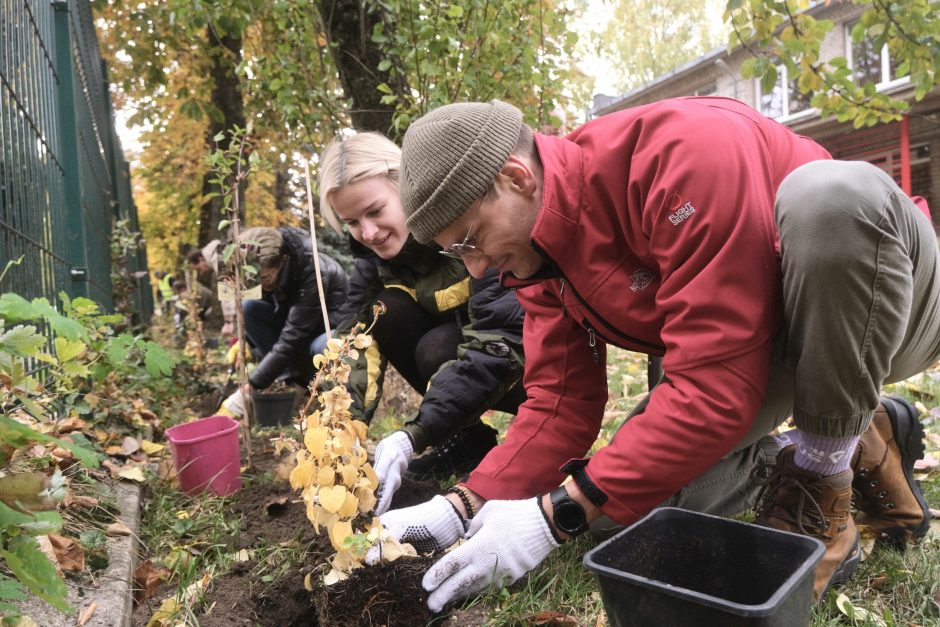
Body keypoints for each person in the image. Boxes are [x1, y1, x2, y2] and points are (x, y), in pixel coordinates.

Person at [378, 98, 938, 612]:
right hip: (764, 342)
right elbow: (560, 401)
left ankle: (824, 469)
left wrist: (556, 514)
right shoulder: (534, 256)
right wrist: (466, 503)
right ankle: (861, 441)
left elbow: (716, 387)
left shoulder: (677, 157)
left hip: (882, 300)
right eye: (456, 253)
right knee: (629, 511)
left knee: (828, 198)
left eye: (469, 240)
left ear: (516, 178)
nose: (475, 268)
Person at [318, 132, 527, 514]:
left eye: (376, 211)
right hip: (471, 364)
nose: (368, 233)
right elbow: (351, 346)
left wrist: (415, 433)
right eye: (351, 222)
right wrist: (337, 433)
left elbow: (499, 339)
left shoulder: (469, 226)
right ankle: (468, 442)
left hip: (526, 360)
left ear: (406, 185)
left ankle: (536, 441)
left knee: (437, 349)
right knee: (387, 310)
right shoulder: (373, 264)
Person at [218, 226, 349, 417]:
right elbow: (266, 311)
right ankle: (295, 382)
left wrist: (251, 386)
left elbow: (292, 337)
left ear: (283, 261)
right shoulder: (269, 266)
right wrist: (245, 341)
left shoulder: (314, 271)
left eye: (264, 277)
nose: (260, 283)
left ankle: (331, 393)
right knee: (249, 307)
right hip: (298, 326)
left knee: (325, 345)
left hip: (326, 329)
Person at [186, 242, 236, 336]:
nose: (202, 272)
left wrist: (228, 322)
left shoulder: (218, 257)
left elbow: (227, 290)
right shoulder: (217, 250)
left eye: (199, 269)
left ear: (201, 259)